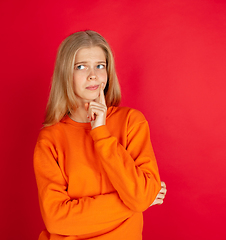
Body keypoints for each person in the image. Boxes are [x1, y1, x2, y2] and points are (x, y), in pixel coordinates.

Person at [33, 30, 167, 240]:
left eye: (100, 65)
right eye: (81, 66)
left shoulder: (131, 122)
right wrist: (133, 201)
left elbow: (141, 197)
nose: (93, 75)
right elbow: (56, 219)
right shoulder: (50, 139)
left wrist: (101, 133)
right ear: (65, 74)